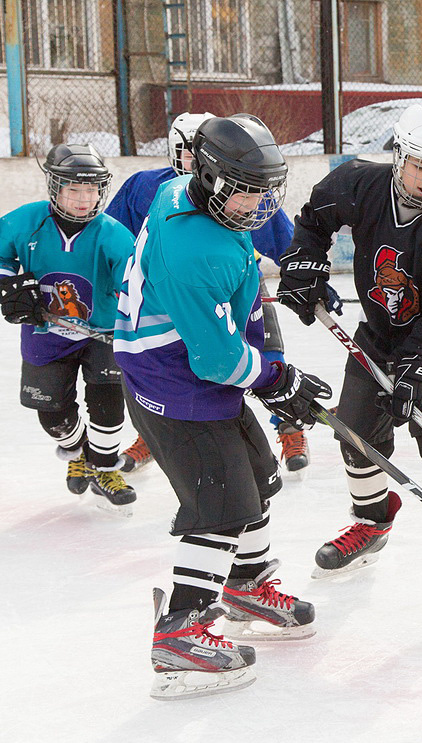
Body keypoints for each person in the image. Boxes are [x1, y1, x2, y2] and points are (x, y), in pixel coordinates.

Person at [113, 114, 330, 699]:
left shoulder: (185, 195)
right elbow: (216, 359)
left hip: (192, 369)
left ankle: (246, 583)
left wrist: (264, 287)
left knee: (258, 477)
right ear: (210, 177)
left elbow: (227, 310)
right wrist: (275, 377)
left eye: (265, 189)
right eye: (245, 190)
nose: (258, 203)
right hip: (174, 384)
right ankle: (180, 633)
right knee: (223, 507)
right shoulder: (195, 248)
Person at [276, 104, 422, 601]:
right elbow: (314, 219)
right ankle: (372, 524)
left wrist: (417, 363)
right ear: (399, 158)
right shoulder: (359, 183)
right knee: (357, 434)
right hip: (379, 331)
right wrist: (303, 263)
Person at [106, 111, 311, 474]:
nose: (189, 160)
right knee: (214, 362)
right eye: (185, 152)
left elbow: (280, 237)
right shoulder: (148, 186)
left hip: (235, 279)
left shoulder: (239, 187)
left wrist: (305, 276)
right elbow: (113, 238)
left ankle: (288, 426)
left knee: (267, 348)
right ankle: (160, 433)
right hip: (178, 288)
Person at [0, 143, 137, 514]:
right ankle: (78, 452)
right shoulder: (25, 221)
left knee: (108, 406)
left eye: (91, 190)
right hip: (46, 335)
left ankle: (105, 466)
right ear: (55, 188)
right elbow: (1, 257)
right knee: (54, 417)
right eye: (74, 189)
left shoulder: (112, 234)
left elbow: (136, 281)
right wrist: (8, 286)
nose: (83, 198)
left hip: (103, 334)